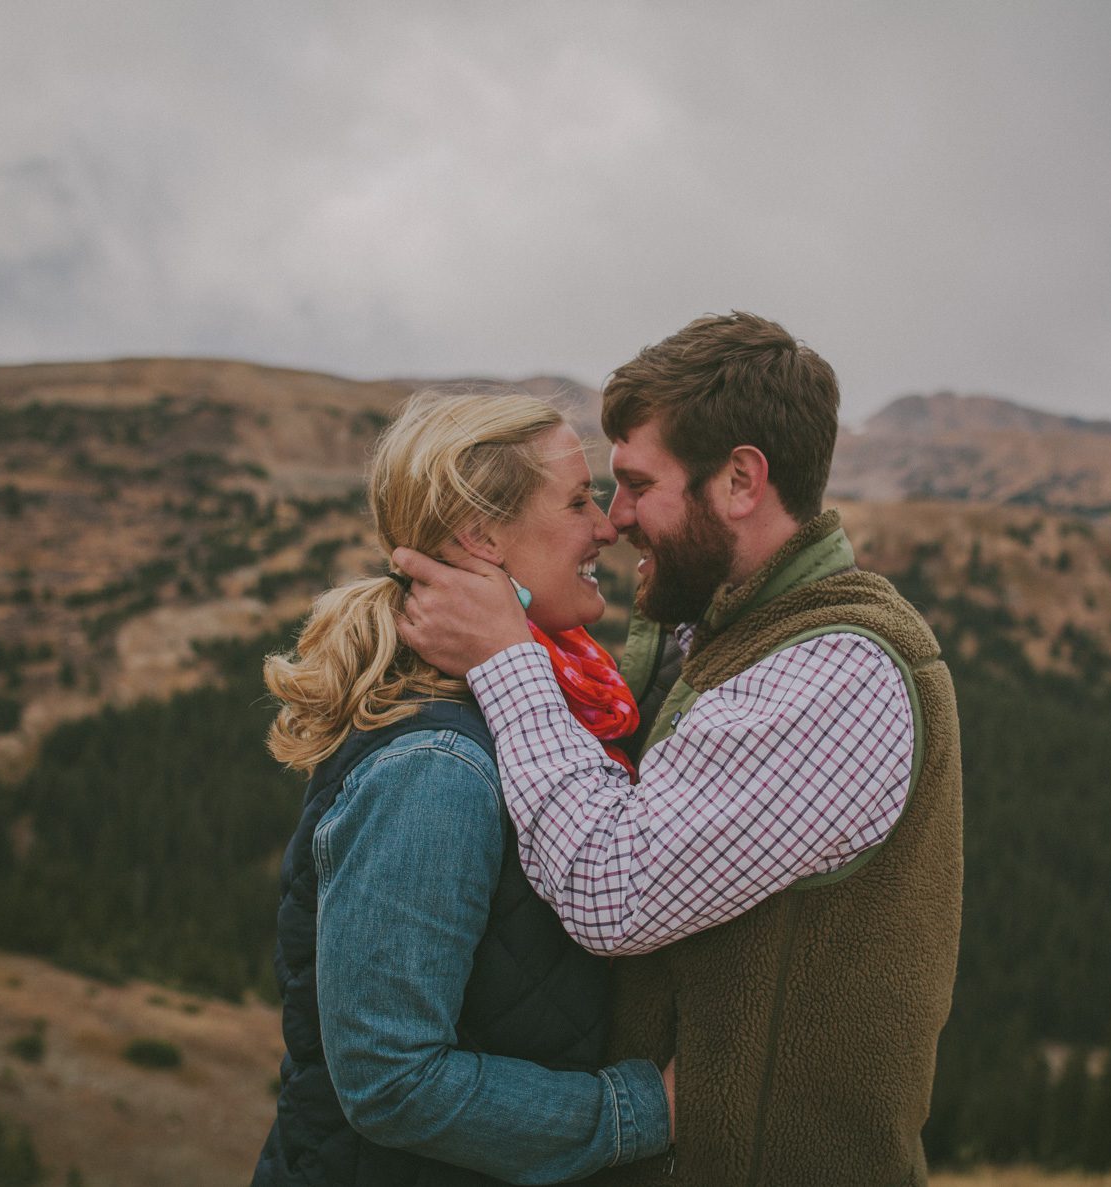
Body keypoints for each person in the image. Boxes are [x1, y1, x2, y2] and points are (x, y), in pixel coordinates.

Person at [395, 312, 964, 1187]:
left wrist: (507, 662)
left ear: (740, 480)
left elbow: (610, 888)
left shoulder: (838, 670)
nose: (614, 521)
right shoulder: (711, 634)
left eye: (634, 483)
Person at [252, 391, 672, 1187]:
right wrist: (642, 1111)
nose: (608, 526)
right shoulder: (437, 766)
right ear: (480, 538)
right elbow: (392, 1081)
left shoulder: (534, 707)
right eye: (578, 500)